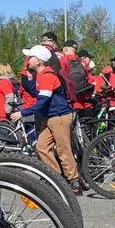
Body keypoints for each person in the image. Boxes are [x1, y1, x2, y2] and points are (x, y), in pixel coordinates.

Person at [12, 44, 80, 192]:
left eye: (31, 57)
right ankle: (56, 177)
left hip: (59, 116)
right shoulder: (41, 75)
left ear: (39, 61)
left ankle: (74, 181)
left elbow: (42, 101)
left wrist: (22, 113)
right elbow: (38, 95)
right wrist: (29, 79)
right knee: (41, 147)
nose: (28, 60)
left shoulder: (48, 76)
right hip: (51, 117)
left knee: (63, 149)